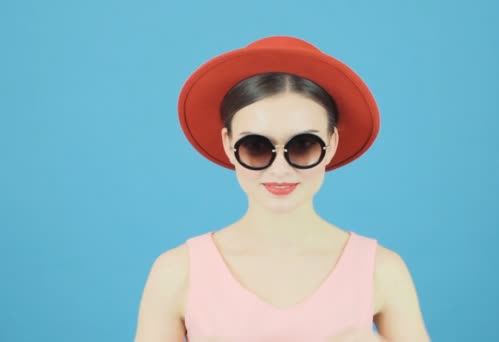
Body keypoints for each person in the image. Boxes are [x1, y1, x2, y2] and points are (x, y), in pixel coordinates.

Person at [134, 36, 431, 342]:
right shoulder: (177, 271)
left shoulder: (382, 270)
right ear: (228, 144)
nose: (279, 169)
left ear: (331, 145)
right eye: (256, 146)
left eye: (303, 145)